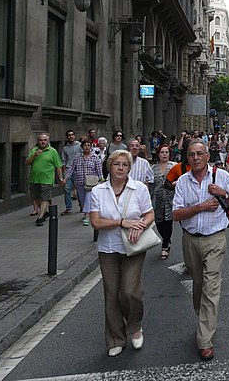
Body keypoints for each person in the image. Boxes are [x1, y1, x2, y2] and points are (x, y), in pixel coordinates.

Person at [172, 139, 229, 361]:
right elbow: (176, 214)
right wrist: (200, 207)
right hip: (190, 240)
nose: (196, 158)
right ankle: (204, 318)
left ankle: (204, 340)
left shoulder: (221, 177)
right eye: (191, 154)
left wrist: (224, 194)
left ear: (207, 156)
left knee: (211, 286)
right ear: (187, 158)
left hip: (215, 239)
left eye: (200, 154)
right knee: (199, 285)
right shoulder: (182, 181)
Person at [89, 150, 155, 357]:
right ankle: (116, 339)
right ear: (109, 166)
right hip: (108, 249)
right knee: (111, 294)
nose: (120, 168)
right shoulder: (98, 191)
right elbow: (96, 222)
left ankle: (134, 327)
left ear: (129, 168)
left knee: (129, 291)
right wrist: (120, 222)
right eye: (116, 164)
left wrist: (141, 226)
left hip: (133, 248)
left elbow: (149, 213)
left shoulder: (139, 189)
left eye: (124, 165)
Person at [25, 133, 63, 226]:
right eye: (41, 140)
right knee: (36, 198)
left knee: (44, 199)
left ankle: (40, 217)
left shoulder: (52, 151)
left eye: (45, 140)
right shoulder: (34, 150)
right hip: (34, 179)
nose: (43, 142)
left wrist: (60, 178)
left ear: (48, 141)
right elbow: (27, 162)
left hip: (47, 179)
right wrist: (35, 155)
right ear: (38, 141)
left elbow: (58, 166)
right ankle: (45, 212)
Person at [64, 138, 102, 225]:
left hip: (91, 183)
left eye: (88, 145)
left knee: (88, 198)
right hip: (79, 181)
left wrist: (101, 179)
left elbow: (99, 170)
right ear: (82, 147)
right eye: (85, 145)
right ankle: (87, 213)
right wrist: (66, 178)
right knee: (82, 199)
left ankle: (87, 217)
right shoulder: (78, 157)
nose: (87, 147)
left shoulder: (95, 157)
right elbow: (72, 168)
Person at [152, 145, 176, 260]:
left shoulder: (174, 166)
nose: (164, 154)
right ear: (158, 154)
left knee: (168, 222)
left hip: (171, 198)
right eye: (162, 152)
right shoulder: (153, 168)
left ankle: (165, 245)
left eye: (166, 152)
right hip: (157, 199)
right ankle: (166, 238)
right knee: (159, 222)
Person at [60, 130, 82, 215]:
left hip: (78, 170)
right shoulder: (65, 148)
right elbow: (64, 160)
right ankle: (68, 208)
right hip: (69, 170)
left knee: (80, 189)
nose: (71, 136)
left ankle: (82, 206)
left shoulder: (80, 146)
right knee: (67, 189)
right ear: (67, 137)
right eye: (69, 135)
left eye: (72, 135)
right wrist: (64, 171)